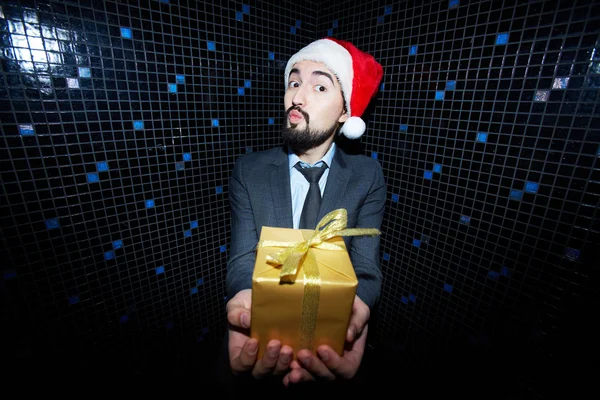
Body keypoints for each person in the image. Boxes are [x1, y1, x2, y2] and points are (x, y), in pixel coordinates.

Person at [217, 37, 386, 392]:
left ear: (345, 112)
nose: (297, 96)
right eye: (294, 82)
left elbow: (366, 268)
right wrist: (246, 303)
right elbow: (242, 259)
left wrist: (358, 310)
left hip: (331, 338)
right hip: (265, 335)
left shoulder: (367, 175)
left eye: (319, 86)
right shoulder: (249, 170)